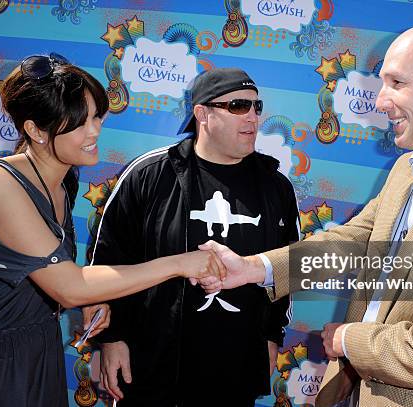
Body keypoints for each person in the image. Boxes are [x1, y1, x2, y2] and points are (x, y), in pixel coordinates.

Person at [199, 22, 413, 407]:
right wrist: (255, 268)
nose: (380, 101)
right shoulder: (406, 169)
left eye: (397, 83)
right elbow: (355, 243)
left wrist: (348, 339)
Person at [0, 54, 225, 406]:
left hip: (39, 349)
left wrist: (94, 296)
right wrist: (180, 263)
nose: (95, 130)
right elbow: (69, 287)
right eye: (79, 123)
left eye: (96, 116)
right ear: (36, 131)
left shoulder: (63, 176)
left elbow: (55, 274)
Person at [85, 67, 299, 406]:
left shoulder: (276, 187)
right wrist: (113, 338)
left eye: (257, 107)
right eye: (239, 106)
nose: (253, 118)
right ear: (202, 113)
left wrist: (272, 336)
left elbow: (287, 267)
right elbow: (108, 262)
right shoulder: (149, 175)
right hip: (151, 366)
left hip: (234, 369)